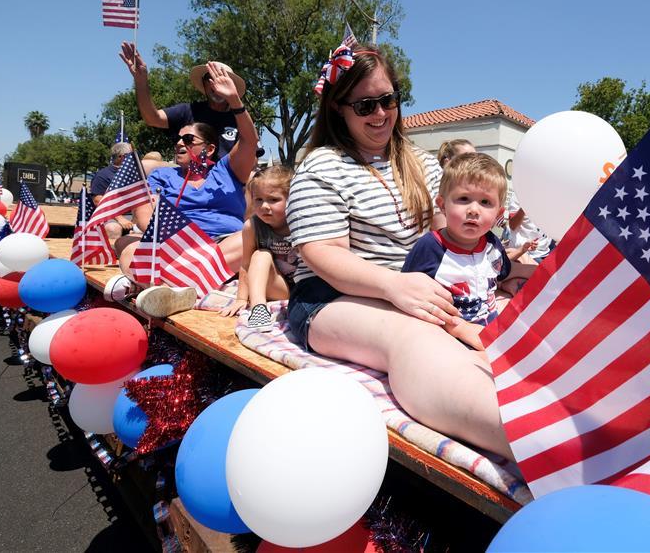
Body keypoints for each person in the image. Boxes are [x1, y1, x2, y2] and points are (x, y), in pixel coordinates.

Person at [285, 44, 514, 459]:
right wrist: (394, 286)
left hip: (414, 290)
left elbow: (450, 241)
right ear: (338, 108)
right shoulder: (320, 167)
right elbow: (322, 254)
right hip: (328, 297)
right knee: (415, 335)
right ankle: (533, 440)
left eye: (388, 100)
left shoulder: (422, 164)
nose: (380, 114)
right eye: (365, 105)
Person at [105, 62, 260, 319]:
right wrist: (142, 80)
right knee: (125, 243)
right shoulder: (163, 173)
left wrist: (235, 100)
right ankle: (191, 286)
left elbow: (250, 141)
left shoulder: (227, 169)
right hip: (176, 245)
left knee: (248, 235)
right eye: (177, 139)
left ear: (209, 149)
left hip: (220, 245)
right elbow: (145, 220)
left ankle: (168, 286)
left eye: (188, 140)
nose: (179, 143)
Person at [402, 152, 534, 350]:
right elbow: (410, 297)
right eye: (464, 199)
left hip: (490, 332)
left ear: (498, 214)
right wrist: (457, 327)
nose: (474, 210)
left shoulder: (492, 244)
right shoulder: (430, 248)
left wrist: (548, 271)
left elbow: (508, 270)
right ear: (442, 205)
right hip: (444, 340)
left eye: (485, 202)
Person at [119, 42, 264, 160]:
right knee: (148, 166)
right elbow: (152, 118)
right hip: (188, 177)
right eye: (211, 79)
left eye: (222, 79)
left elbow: (252, 148)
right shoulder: (188, 111)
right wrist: (141, 80)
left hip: (228, 180)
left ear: (231, 85)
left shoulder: (241, 118)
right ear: (204, 84)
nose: (216, 84)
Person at [219, 165, 298, 331]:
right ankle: (258, 309)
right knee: (260, 255)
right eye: (259, 199)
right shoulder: (252, 226)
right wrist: (241, 298)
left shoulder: (299, 223)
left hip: (304, 288)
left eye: (273, 199)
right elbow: (246, 264)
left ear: (292, 199)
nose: (264, 206)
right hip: (278, 287)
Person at [90, 142, 136, 240]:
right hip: (110, 216)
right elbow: (98, 201)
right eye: (132, 156)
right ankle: (113, 254)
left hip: (134, 215)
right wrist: (120, 218)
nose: (135, 159)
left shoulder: (137, 174)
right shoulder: (102, 175)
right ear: (121, 157)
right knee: (113, 228)